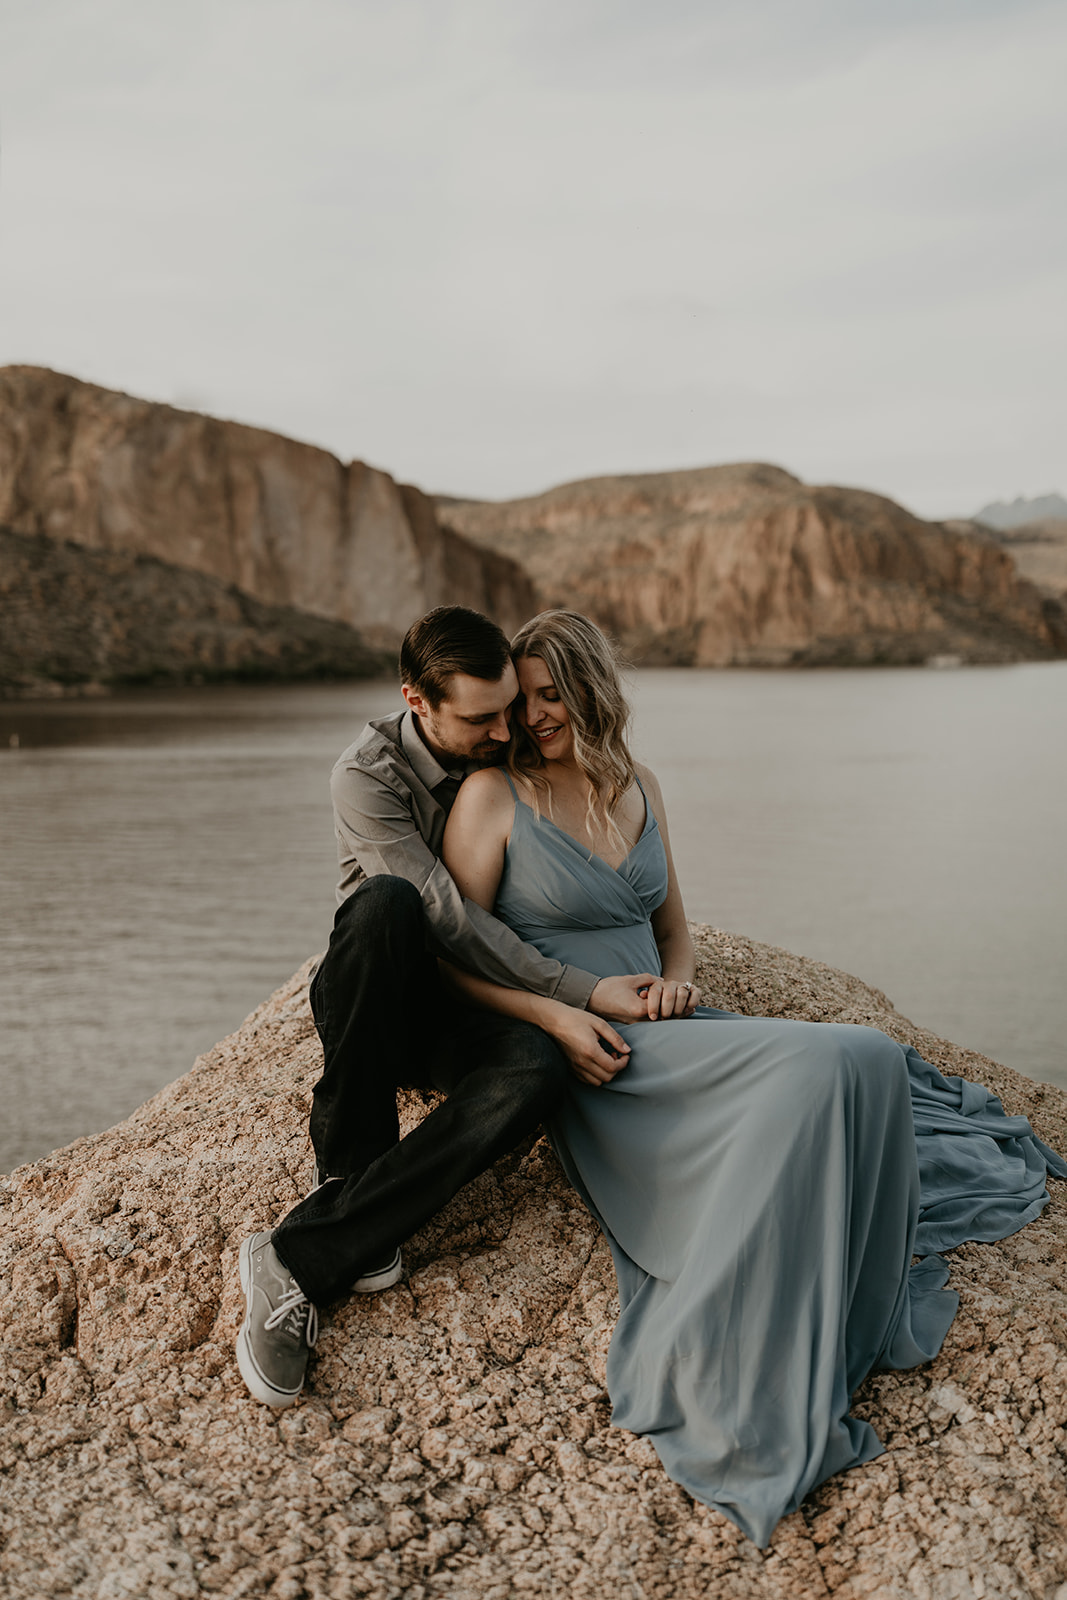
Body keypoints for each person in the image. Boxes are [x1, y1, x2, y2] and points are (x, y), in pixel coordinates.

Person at [439, 608, 1066, 1548]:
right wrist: (558, 1016)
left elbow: (673, 931)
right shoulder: (491, 798)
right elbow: (453, 957)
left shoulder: (635, 785)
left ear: (588, 687)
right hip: (601, 1055)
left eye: (547, 695)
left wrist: (682, 987)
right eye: (519, 702)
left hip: (675, 1027)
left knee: (868, 1063)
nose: (532, 718)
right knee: (848, 1054)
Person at [236, 606, 663, 1411]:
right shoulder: (364, 775)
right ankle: (348, 1167)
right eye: (482, 717)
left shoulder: (507, 756)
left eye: (511, 708)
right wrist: (578, 992)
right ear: (416, 700)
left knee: (538, 1068)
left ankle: (303, 1248)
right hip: (379, 990)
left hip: (469, 1008)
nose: (507, 730)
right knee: (389, 905)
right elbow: (449, 920)